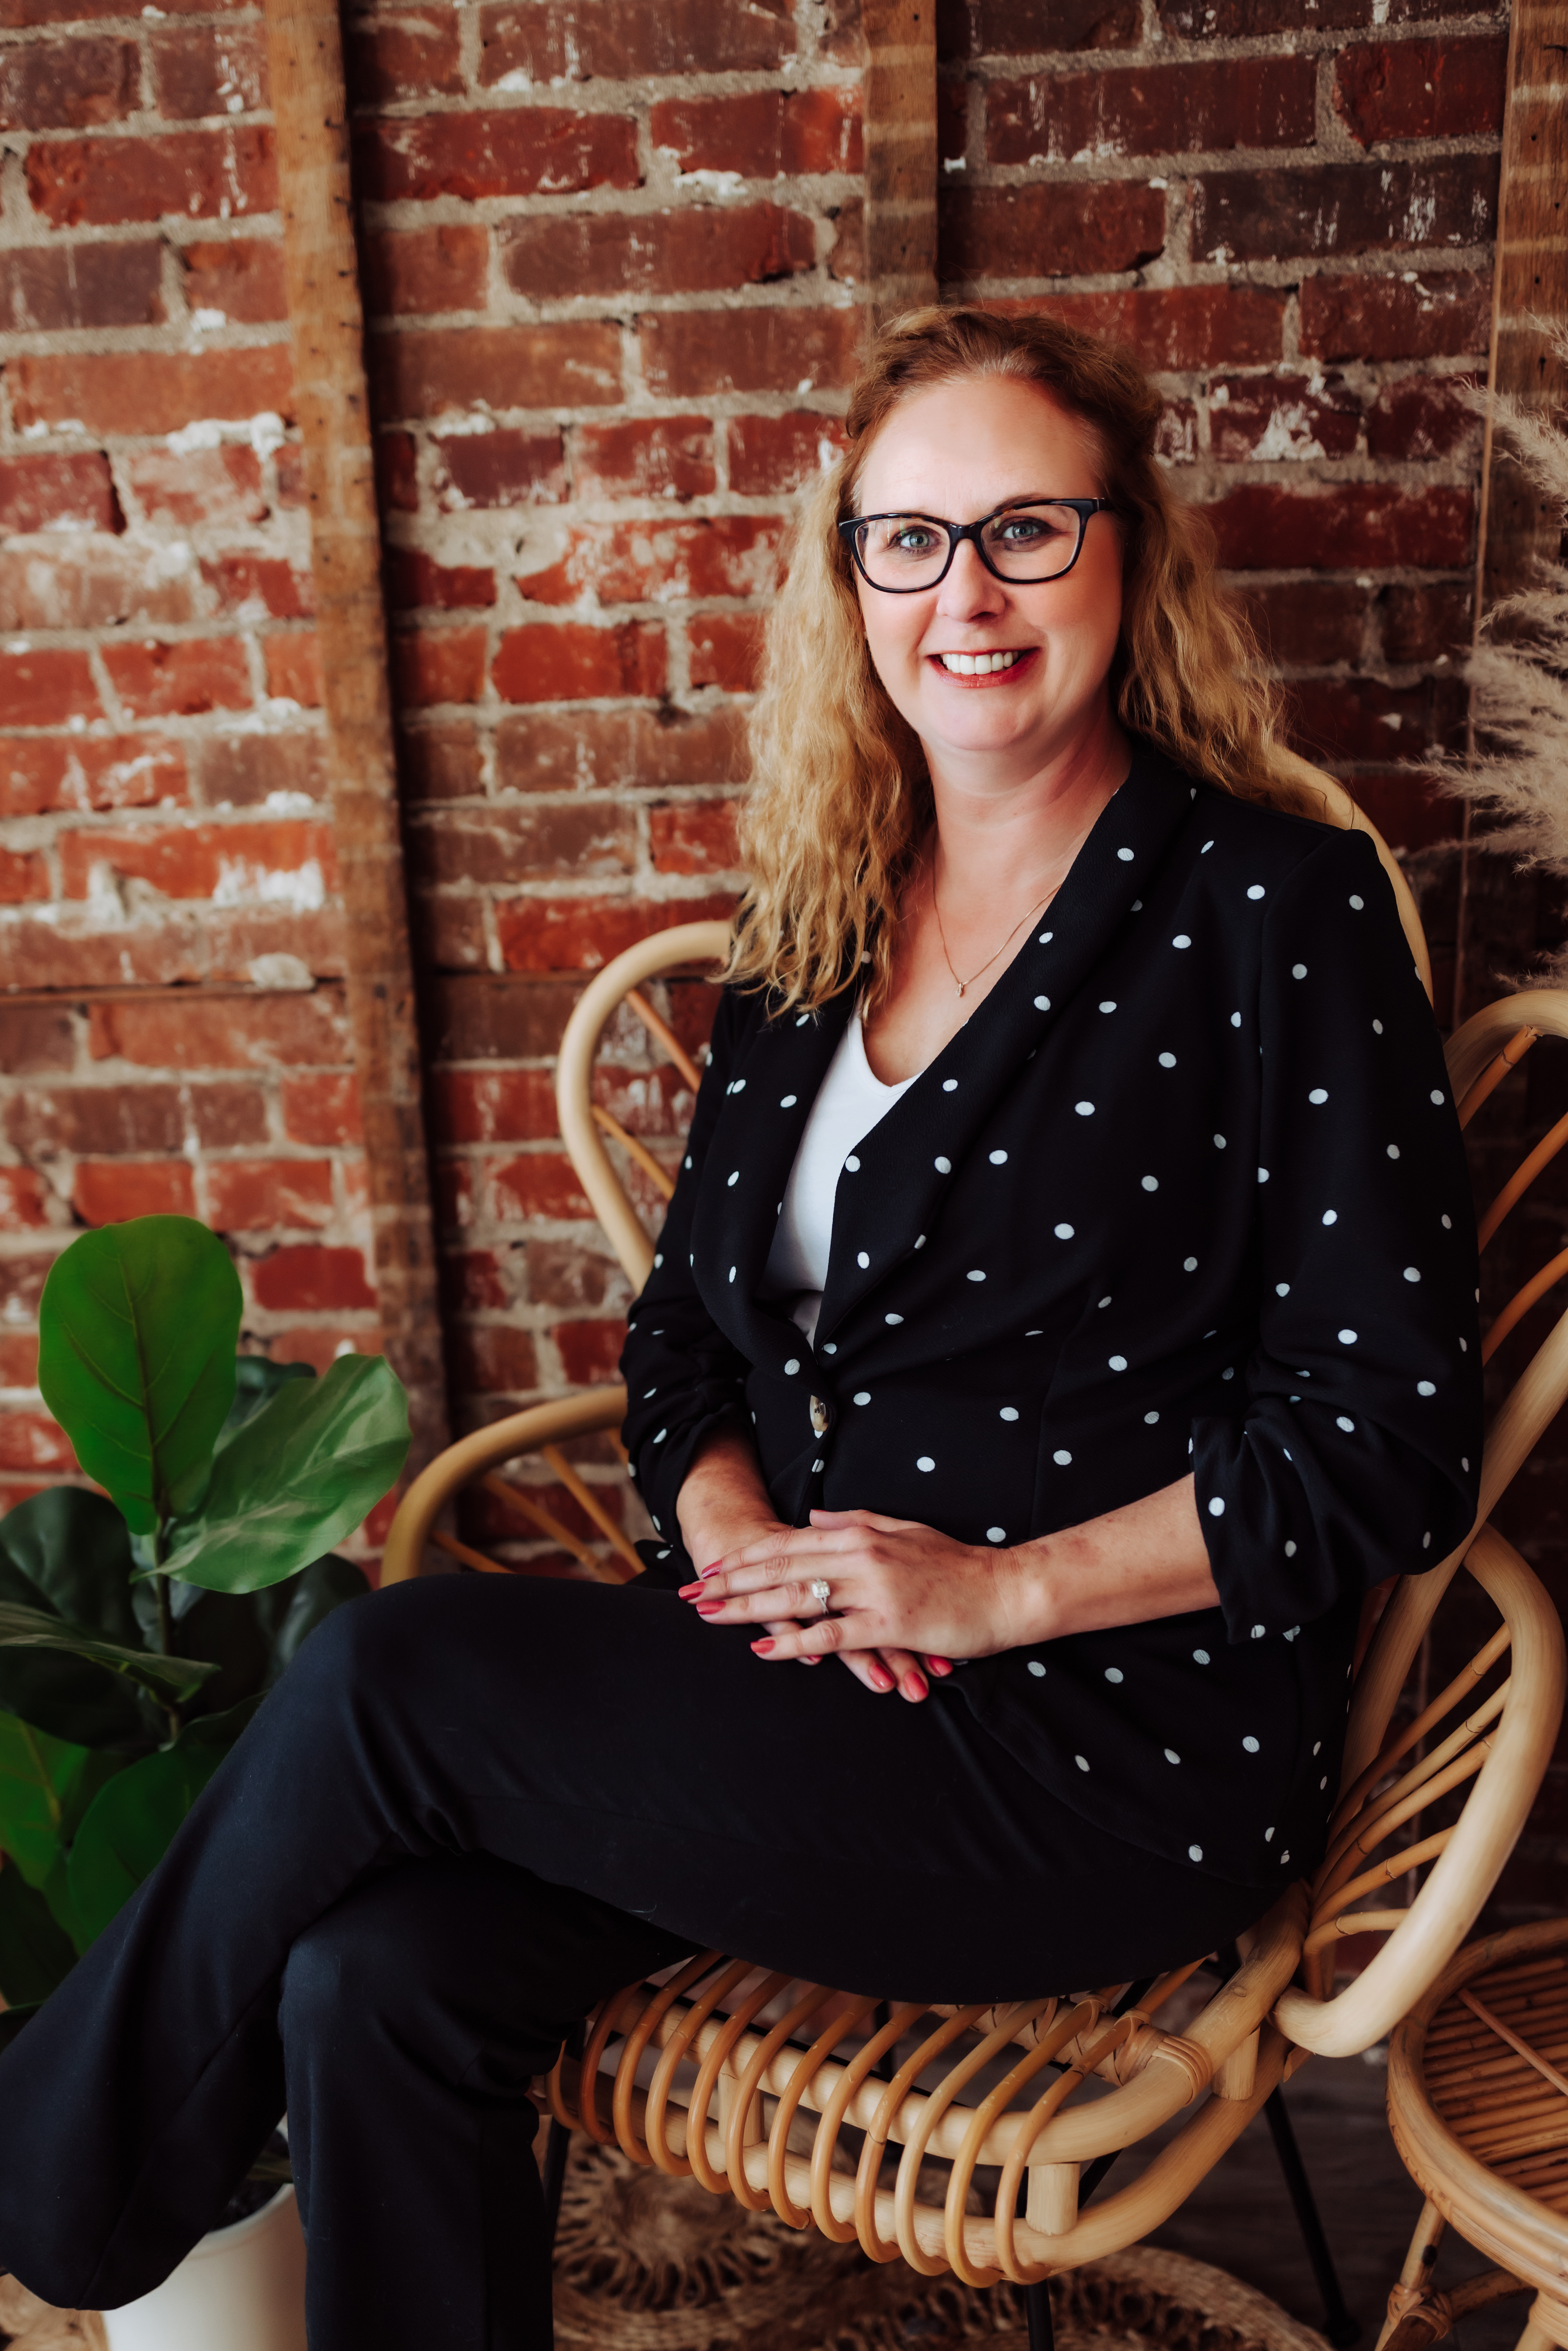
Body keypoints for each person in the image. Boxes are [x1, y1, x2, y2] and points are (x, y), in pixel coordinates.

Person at [0, 307, 1482, 2350]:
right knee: (376, 1983)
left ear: (1128, 555)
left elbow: (1387, 1445)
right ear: (845, 584)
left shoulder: (1270, 911)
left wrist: (990, 1592)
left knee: (392, 1667)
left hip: (1090, 1751)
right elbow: (684, 1342)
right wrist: (718, 1536)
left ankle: (36, 2200)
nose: (962, 594)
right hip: (780, 1692)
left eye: (1023, 531)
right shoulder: (811, 924)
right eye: (904, 542)